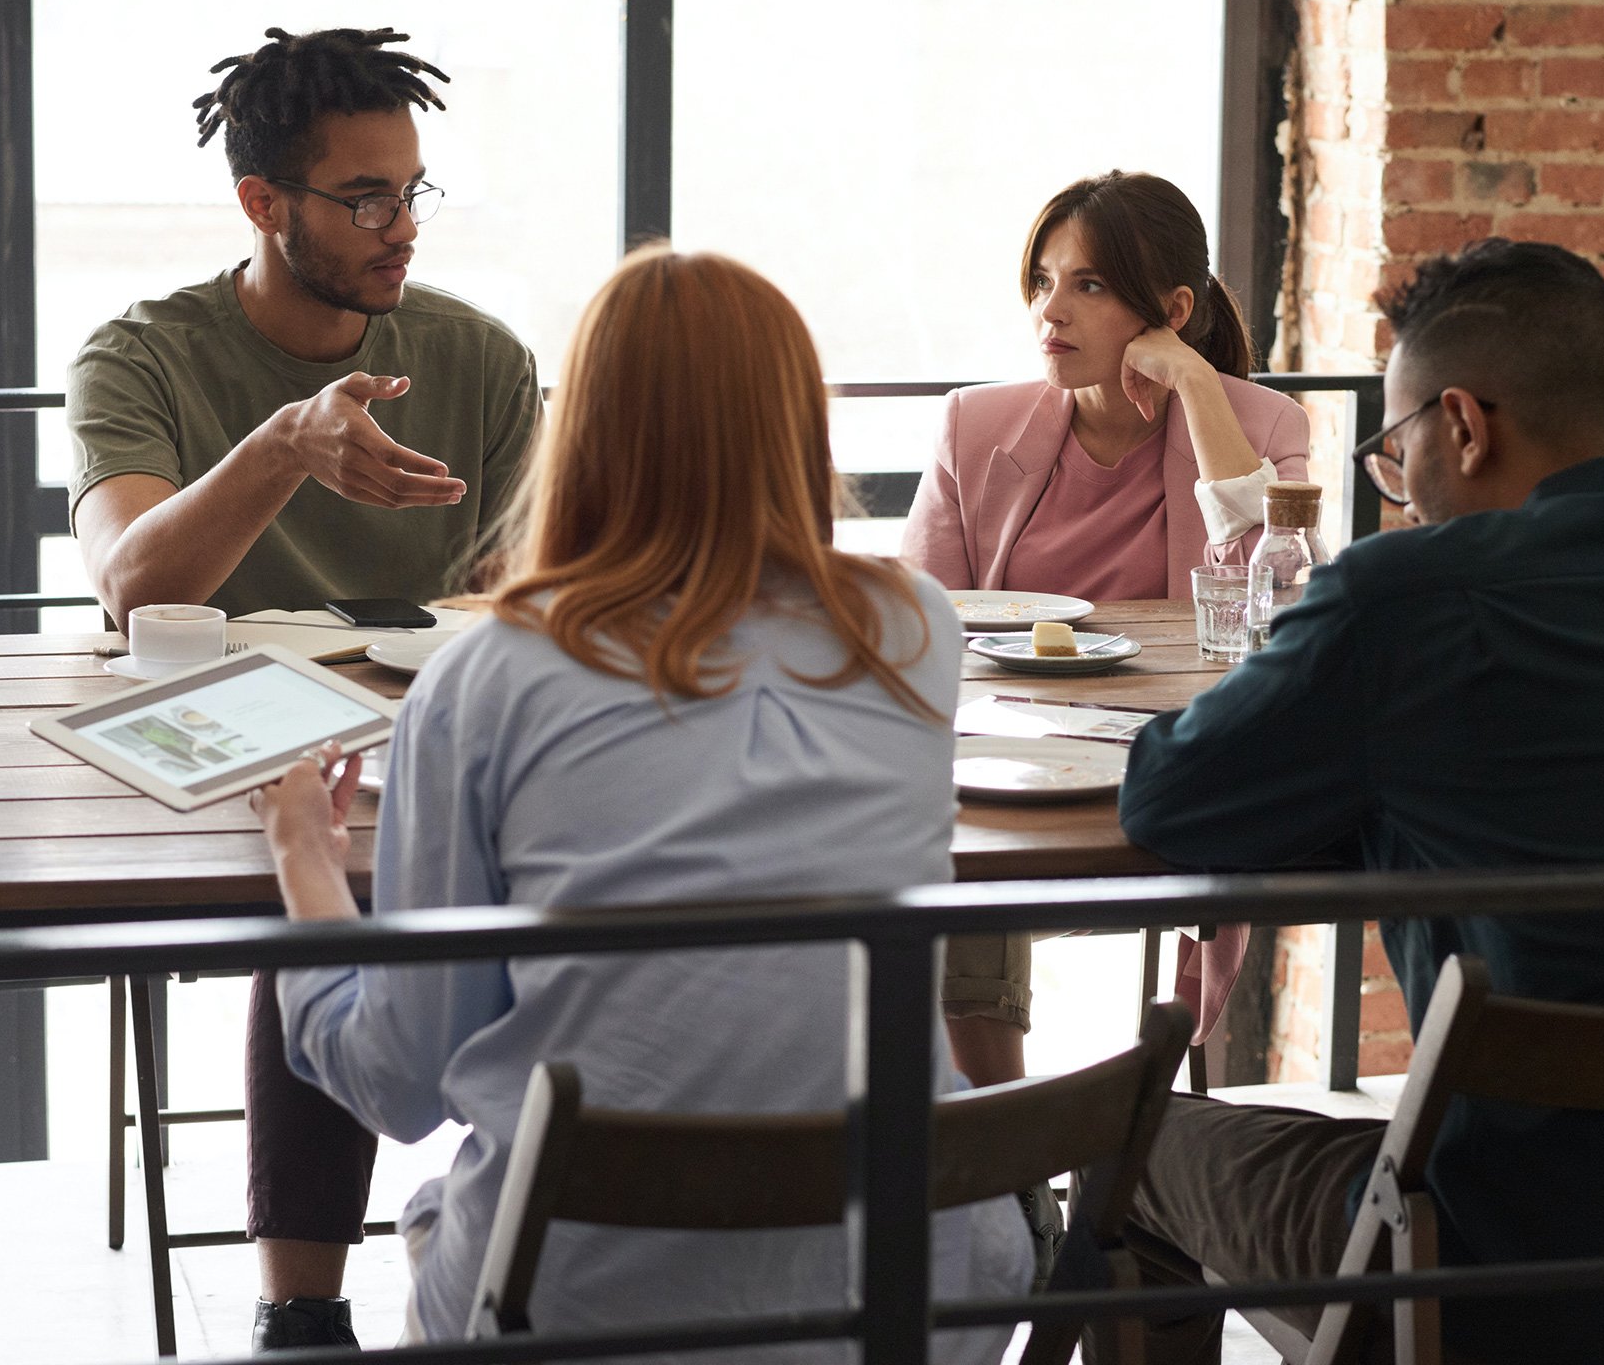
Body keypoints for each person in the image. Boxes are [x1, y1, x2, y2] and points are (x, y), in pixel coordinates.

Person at [1110, 239, 1604, 1364]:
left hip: (1496, 1270)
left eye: (1395, 452)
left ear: (1464, 426)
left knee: (1132, 1139)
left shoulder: (1408, 597)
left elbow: (1169, 806)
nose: (1401, 486)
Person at [251, 247, 1031, 1358]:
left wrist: (305, 863)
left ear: (586, 430)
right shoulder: (911, 628)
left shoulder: (489, 678)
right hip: (908, 1291)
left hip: (585, 1303)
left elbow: (400, 1083)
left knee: (443, 1220)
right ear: (794, 422)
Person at [64, 27, 540, 1350]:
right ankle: (304, 1313)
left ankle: (557, 1216)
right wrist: (288, 444)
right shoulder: (143, 357)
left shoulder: (481, 360)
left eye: (412, 192)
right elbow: (133, 585)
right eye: (365, 197)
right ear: (263, 207)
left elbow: (529, 605)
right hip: (228, 753)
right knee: (312, 860)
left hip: (435, 744)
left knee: (378, 855)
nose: (401, 227)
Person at [900, 170, 1311, 1089]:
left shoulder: (1263, 425)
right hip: (1011, 772)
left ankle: (1033, 1160)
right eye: (1044, 281)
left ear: (1169, 309)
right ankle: (1010, 1162)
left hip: (1169, 768)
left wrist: (1200, 390)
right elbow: (919, 626)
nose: (1052, 309)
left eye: (1088, 285)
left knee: (973, 877)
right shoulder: (977, 423)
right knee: (962, 870)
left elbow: (1272, 610)